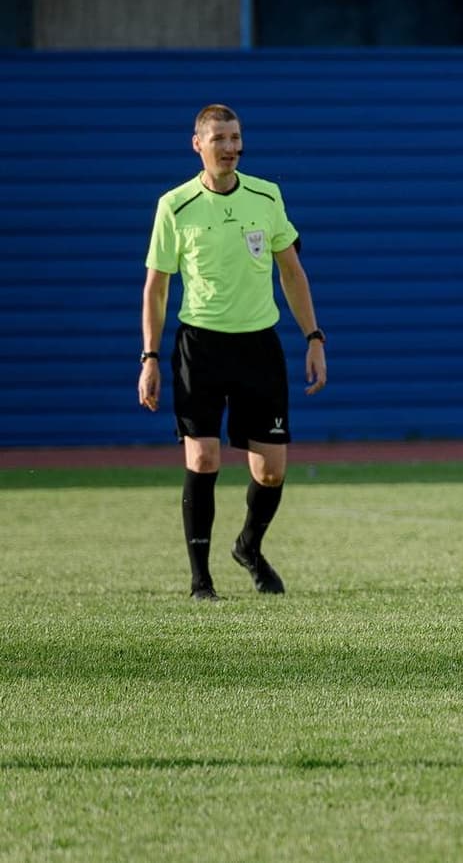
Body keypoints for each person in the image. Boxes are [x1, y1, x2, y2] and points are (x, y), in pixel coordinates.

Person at [140, 104, 328, 600]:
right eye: (219, 138)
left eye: (236, 137)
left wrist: (313, 337)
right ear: (197, 145)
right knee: (203, 459)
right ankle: (201, 581)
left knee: (271, 470)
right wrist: (150, 358)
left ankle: (248, 546)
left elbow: (292, 272)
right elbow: (156, 289)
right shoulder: (174, 205)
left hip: (258, 347)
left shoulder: (267, 196)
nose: (230, 147)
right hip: (199, 347)